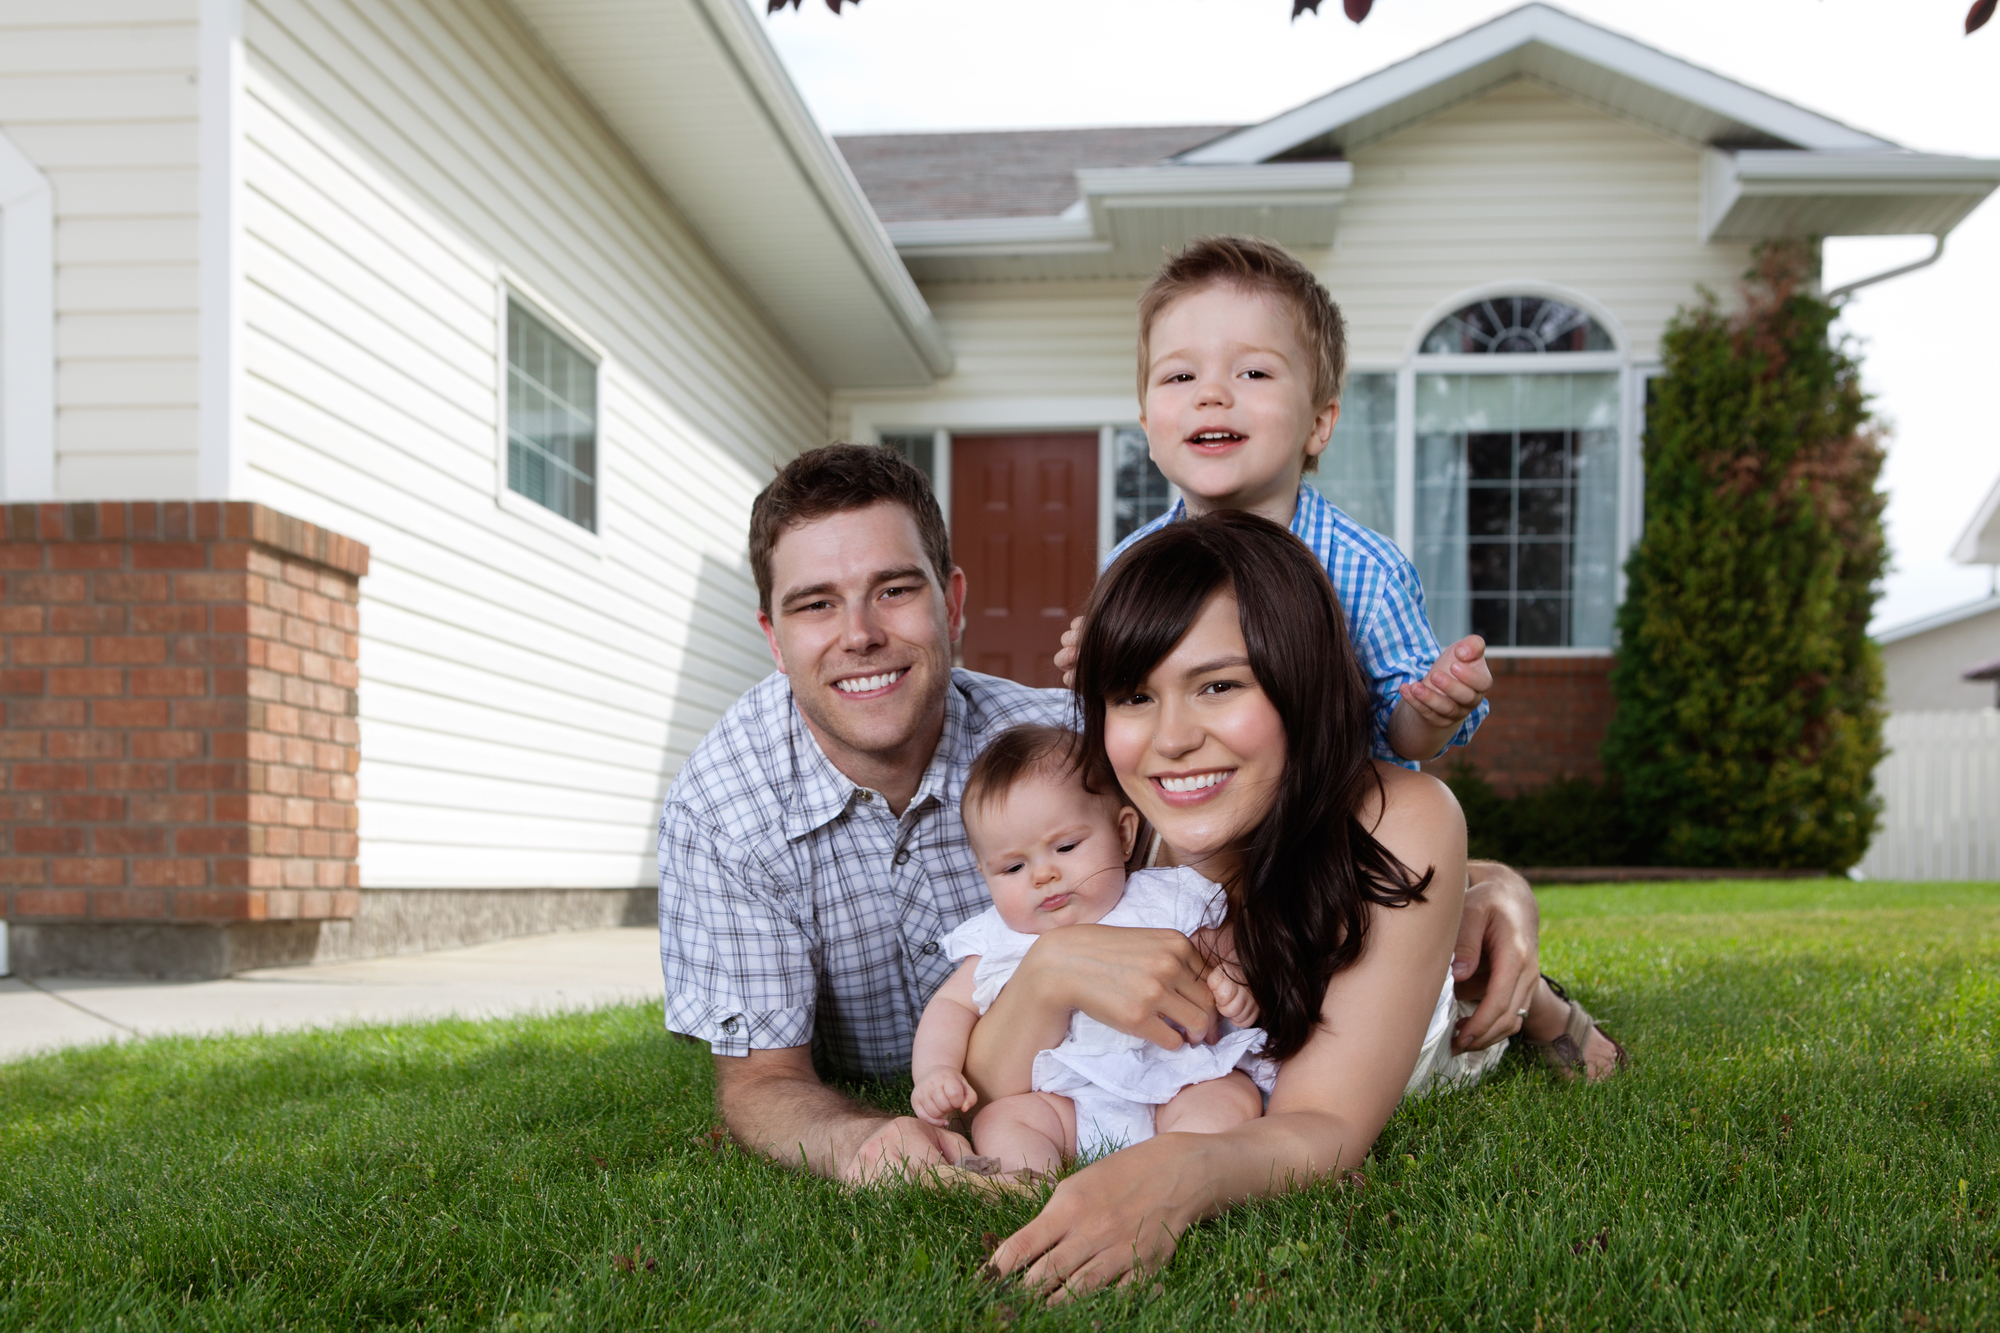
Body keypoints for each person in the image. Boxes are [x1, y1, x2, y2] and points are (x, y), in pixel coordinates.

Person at [656, 442, 1550, 1185]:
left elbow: (1322, 829)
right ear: (773, 637)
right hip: (1034, 1069)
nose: (859, 633)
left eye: (894, 589)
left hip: (1296, 1014)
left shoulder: (1069, 746)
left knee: (1451, 973)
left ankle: (1552, 1013)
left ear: (953, 602)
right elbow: (763, 1080)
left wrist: (1488, 884)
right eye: (816, 604)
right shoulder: (724, 811)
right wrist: (1034, 988)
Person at [981, 510, 1626, 1299]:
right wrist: (1051, 971)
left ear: (1301, 681)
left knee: (1473, 990)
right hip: (1304, 989)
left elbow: (1326, 1123)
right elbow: (992, 1078)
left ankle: (1547, 1010)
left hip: (1409, 1019)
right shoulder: (1104, 826)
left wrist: (1179, 1171)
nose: (1171, 738)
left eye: (1219, 685)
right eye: (1134, 696)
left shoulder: (1405, 818)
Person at [1060, 233, 1489, 767]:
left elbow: (1402, 734)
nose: (1210, 393)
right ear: (1148, 430)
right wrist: (1100, 666)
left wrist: (1431, 711)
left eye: (1254, 372)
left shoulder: (1366, 573)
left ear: (1318, 423)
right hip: (1195, 818)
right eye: (1180, 375)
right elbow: (1124, 715)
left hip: (1335, 831)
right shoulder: (1129, 567)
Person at [910, 723, 1270, 1177]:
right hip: (1064, 1104)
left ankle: (1174, 1169)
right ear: (985, 875)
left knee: (1229, 1097)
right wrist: (935, 1070)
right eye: (1014, 867)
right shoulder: (996, 938)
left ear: (1123, 834)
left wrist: (1235, 983)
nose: (1043, 875)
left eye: (1065, 846)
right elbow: (948, 1006)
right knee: (1002, 1120)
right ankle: (1026, 1182)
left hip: (1171, 1084)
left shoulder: (1164, 899)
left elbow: (1218, 954)